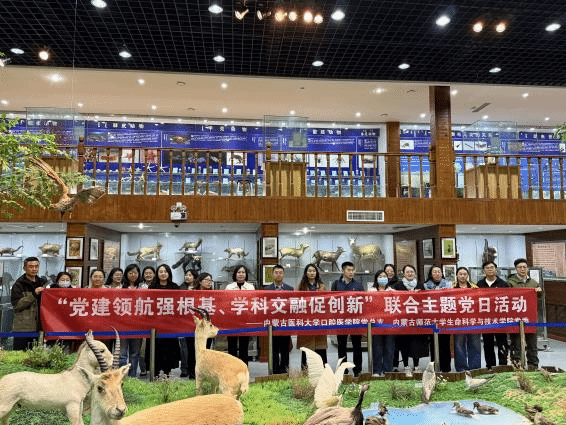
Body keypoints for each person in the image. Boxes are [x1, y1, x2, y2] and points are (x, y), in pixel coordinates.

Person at [393, 264, 428, 374]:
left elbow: (425, 300)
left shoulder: (420, 285)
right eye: (407, 272)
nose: (410, 273)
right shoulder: (398, 286)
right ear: (404, 274)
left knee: (416, 343)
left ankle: (416, 365)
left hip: (416, 319)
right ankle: (406, 365)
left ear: (415, 273)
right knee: (404, 343)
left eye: (412, 271)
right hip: (403, 319)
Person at [507, 258, 542, 369]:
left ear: (527, 268)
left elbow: (539, 298)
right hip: (515, 317)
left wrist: (539, 292)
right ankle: (517, 366)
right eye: (519, 267)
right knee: (516, 344)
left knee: (532, 343)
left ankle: (533, 365)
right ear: (516, 269)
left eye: (524, 267)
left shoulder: (533, 283)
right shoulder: (510, 282)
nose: (522, 269)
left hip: (530, 317)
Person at [332, 261, 364, 377]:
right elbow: (332, 301)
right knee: (342, 346)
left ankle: (357, 370)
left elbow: (363, 302)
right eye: (348, 270)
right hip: (341, 320)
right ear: (343, 271)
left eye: (352, 270)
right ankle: (343, 371)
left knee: (357, 346)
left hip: (355, 320)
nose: (351, 272)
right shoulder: (336, 284)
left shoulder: (358, 285)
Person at [147, 264, 180, 376]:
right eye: (161, 271)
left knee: (169, 349)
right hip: (155, 323)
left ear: (169, 273)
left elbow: (178, 303)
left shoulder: (174, 287)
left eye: (165, 271)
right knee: (156, 348)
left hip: (170, 324)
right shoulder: (152, 287)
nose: (163, 274)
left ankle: (167, 372)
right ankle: (155, 373)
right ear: (157, 274)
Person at [477, 261, 509, 369]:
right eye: (487, 268)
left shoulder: (503, 284)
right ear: (484, 270)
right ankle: (490, 366)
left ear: (496, 269)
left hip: (500, 319)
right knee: (487, 343)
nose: (490, 269)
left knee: (502, 343)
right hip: (486, 319)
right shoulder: (479, 284)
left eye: (492, 267)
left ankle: (503, 365)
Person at [11, 257, 46, 350]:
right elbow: (17, 306)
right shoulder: (18, 285)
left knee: (35, 355)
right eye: (31, 266)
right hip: (23, 328)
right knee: (19, 355)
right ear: (24, 268)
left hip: (39, 328)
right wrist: (33, 294)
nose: (34, 269)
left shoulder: (42, 283)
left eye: (36, 266)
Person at [296, 263, 328, 369]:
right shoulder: (301, 286)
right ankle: (305, 373)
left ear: (317, 273)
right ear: (306, 273)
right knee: (306, 350)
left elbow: (327, 301)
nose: (312, 273)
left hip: (319, 321)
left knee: (321, 349)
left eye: (314, 271)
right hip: (306, 322)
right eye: (309, 271)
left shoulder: (322, 286)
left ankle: (323, 372)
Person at [264, 265, 294, 374]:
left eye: (280, 272)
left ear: (284, 274)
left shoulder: (290, 289)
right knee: (274, 350)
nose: (278, 275)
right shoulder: (266, 290)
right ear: (272, 274)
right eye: (276, 272)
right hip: (272, 325)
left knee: (285, 350)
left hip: (285, 324)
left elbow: (292, 307)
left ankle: (285, 372)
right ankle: (275, 372)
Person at [424, 265, 453, 372]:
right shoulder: (425, 286)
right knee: (433, 343)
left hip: (445, 317)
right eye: (434, 272)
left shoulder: (448, 284)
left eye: (439, 272)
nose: (437, 274)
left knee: (445, 343)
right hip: (432, 318)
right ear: (431, 274)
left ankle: (446, 368)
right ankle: (435, 366)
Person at [452, 266, 481, 371]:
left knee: (475, 343)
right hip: (458, 320)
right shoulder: (452, 288)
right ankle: (461, 368)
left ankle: (475, 367)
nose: (462, 276)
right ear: (457, 275)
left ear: (467, 275)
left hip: (473, 320)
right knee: (459, 344)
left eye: (465, 274)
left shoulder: (474, 288)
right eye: (460, 274)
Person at [225, 265, 254, 365]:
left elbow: (252, 303)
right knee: (231, 346)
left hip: (245, 320)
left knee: (244, 346)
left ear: (246, 274)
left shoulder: (250, 287)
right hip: (231, 320)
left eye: (243, 272)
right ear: (235, 274)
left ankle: (243, 368)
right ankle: (232, 368)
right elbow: (226, 304)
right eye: (239, 272)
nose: (241, 274)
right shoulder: (229, 287)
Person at [368, 270, 395, 377]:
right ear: (376, 278)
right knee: (377, 348)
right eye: (380, 276)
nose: (383, 278)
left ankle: (387, 370)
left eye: (384, 276)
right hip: (376, 324)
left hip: (389, 324)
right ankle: (376, 370)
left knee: (389, 348)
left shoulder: (392, 291)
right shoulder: (371, 291)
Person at [119, 264, 142, 377]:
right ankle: (122, 376)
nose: (133, 275)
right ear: (126, 274)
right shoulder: (120, 288)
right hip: (123, 325)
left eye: (135, 273)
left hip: (138, 325)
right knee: (122, 353)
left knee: (135, 353)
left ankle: (132, 376)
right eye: (130, 273)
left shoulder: (143, 288)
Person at [178, 269, 198, 378]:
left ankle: (194, 369)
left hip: (195, 320)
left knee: (194, 346)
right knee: (184, 347)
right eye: (186, 275)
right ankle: (184, 368)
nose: (187, 277)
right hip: (183, 320)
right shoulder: (181, 288)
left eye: (190, 275)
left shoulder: (198, 288)